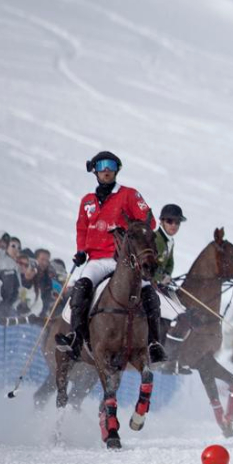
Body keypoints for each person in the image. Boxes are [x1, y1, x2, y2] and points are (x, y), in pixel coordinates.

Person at [54, 151, 166, 363]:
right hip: (97, 260)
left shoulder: (129, 194)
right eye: (102, 166)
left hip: (124, 261)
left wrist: (130, 229)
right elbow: (82, 228)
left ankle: (154, 344)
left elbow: (149, 223)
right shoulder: (87, 201)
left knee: (150, 294)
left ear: (117, 170)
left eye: (111, 166)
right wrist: (81, 251)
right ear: (94, 170)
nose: (106, 170)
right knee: (82, 287)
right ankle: (76, 338)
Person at [153, 204, 189, 373]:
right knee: (177, 315)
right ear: (161, 221)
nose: (174, 225)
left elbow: (170, 263)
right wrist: (160, 277)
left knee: (184, 310)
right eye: (170, 221)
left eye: (177, 222)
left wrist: (167, 275)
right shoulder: (156, 239)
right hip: (149, 284)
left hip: (161, 284)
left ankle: (174, 358)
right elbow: (148, 264)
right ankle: (164, 358)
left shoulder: (170, 240)